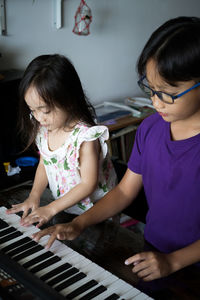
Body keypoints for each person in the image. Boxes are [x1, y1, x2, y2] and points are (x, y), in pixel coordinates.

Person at [33, 16, 200, 282]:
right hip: (153, 254)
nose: (156, 102)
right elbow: (124, 191)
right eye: (150, 89)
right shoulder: (150, 128)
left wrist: (174, 261)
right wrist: (79, 223)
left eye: (167, 92)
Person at [6, 54, 117, 227]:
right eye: (32, 110)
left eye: (45, 110)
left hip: (97, 212)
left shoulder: (85, 137)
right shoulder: (44, 129)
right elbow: (45, 163)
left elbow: (88, 184)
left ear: (69, 100)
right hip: (66, 208)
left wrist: (50, 209)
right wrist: (34, 196)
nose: (38, 118)